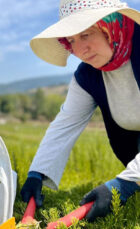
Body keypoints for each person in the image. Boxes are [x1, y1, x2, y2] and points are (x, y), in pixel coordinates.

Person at [20, 0, 140, 222]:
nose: (80, 50)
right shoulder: (87, 76)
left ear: (109, 26)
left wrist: (124, 183)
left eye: (86, 34)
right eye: (72, 40)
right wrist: (37, 173)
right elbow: (65, 124)